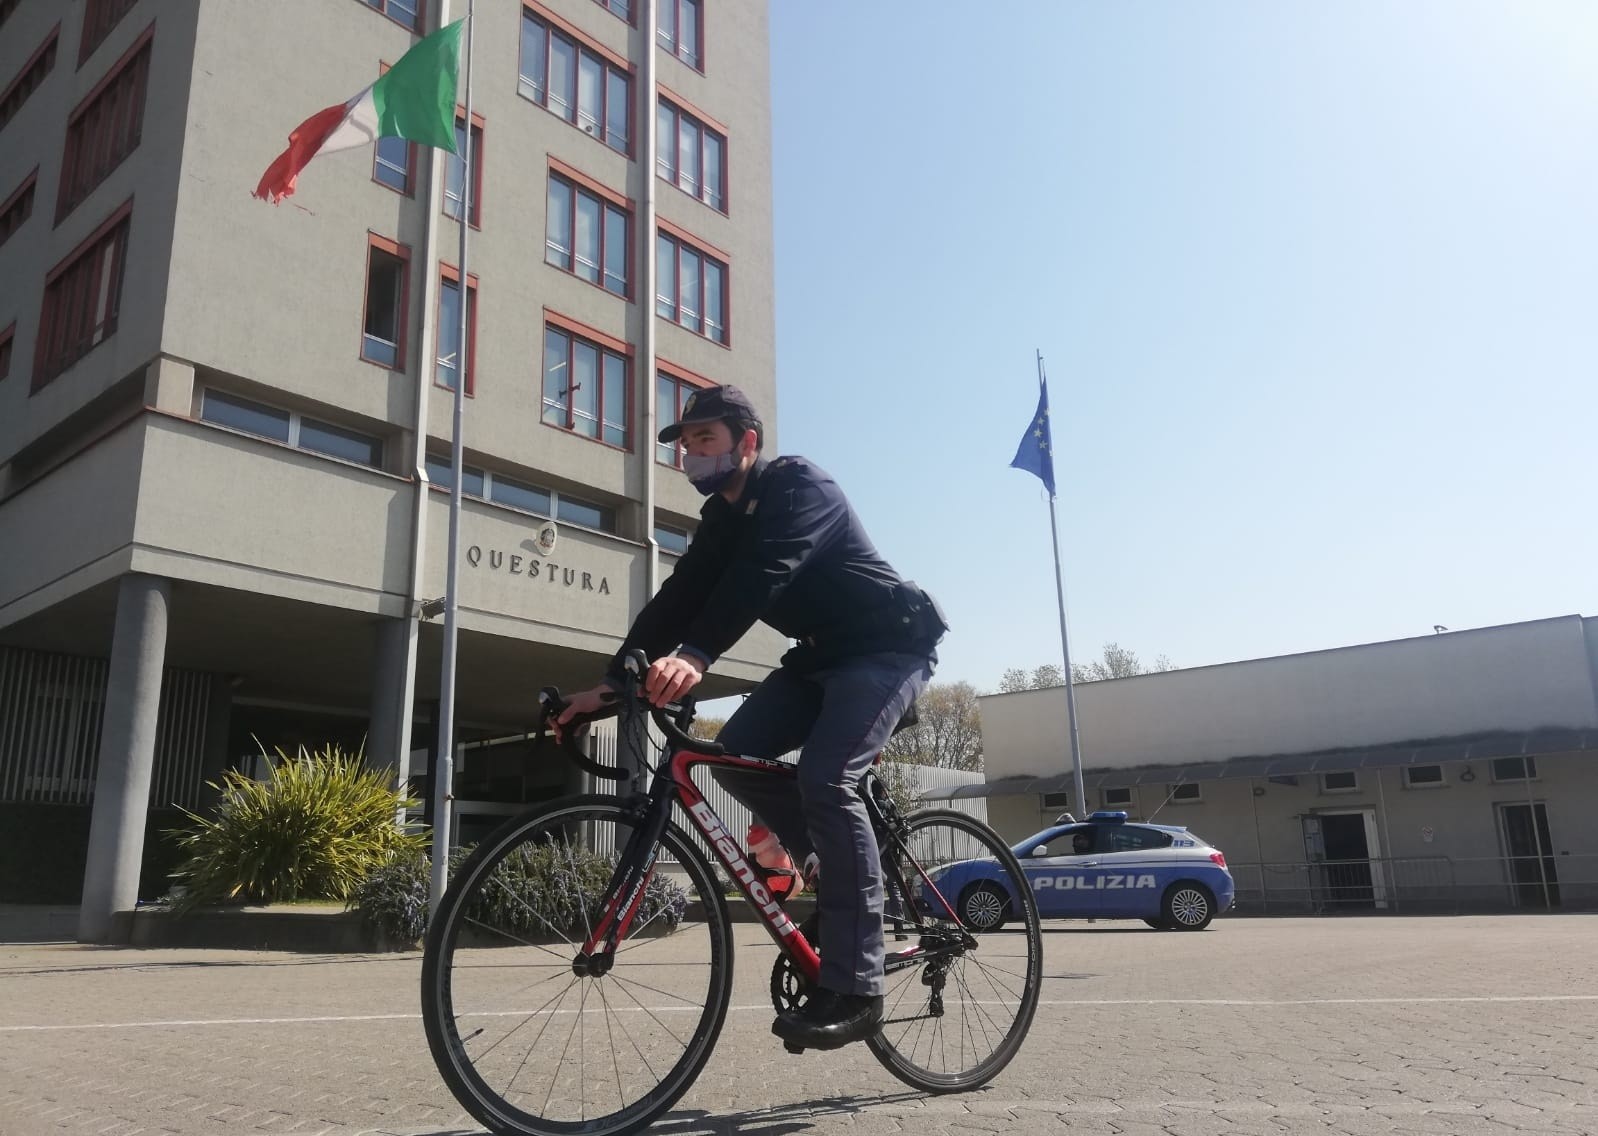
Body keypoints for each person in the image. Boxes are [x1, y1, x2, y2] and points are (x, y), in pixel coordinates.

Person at [557, 384, 946, 1050]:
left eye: (705, 439)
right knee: (729, 754)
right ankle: (839, 865)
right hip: (818, 660)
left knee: (826, 778)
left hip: (886, 651)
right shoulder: (720, 523)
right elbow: (680, 596)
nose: (691, 454)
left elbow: (763, 575)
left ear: (748, 443)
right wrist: (609, 683)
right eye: (685, 443)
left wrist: (697, 655)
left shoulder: (801, 486)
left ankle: (856, 988)